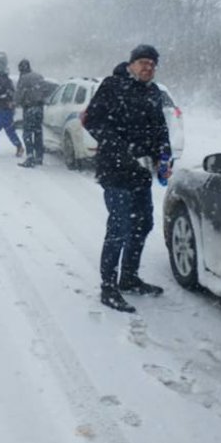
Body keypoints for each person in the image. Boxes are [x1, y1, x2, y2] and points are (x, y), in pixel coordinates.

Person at [82, 44, 173, 313]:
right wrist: (123, 149)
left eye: (153, 64)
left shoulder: (153, 92)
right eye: (143, 62)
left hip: (141, 172)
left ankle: (129, 277)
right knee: (119, 228)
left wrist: (163, 156)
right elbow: (92, 121)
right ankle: (108, 287)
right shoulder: (113, 85)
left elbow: (160, 128)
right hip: (116, 170)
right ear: (131, 64)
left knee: (143, 224)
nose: (148, 67)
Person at [15, 58, 46, 167]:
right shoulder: (39, 76)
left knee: (27, 133)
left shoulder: (23, 79)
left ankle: (30, 157)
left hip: (29, 108)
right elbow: (45, 91)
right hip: (39, 108)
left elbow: (19, 95)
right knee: (38, 132)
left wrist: (16, 103)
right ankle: (39, 157)